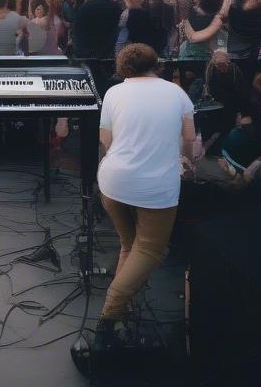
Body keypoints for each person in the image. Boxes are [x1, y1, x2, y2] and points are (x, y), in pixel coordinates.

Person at [94, 44, 195, 349]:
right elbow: (188, 138)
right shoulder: (177, 93)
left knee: (130, 244)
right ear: (157, 64)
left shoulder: (113, 92)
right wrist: (186, 163)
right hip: (155, 186)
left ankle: (121, 308)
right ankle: (109, 315)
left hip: (111, 180)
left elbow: (106, 139)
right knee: (151, 250)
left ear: (124, 67)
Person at [71, 0, 122, 97]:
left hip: (87, 56)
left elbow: (76, 31)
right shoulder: (115, 7)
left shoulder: (84, 8)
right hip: (108, 56)